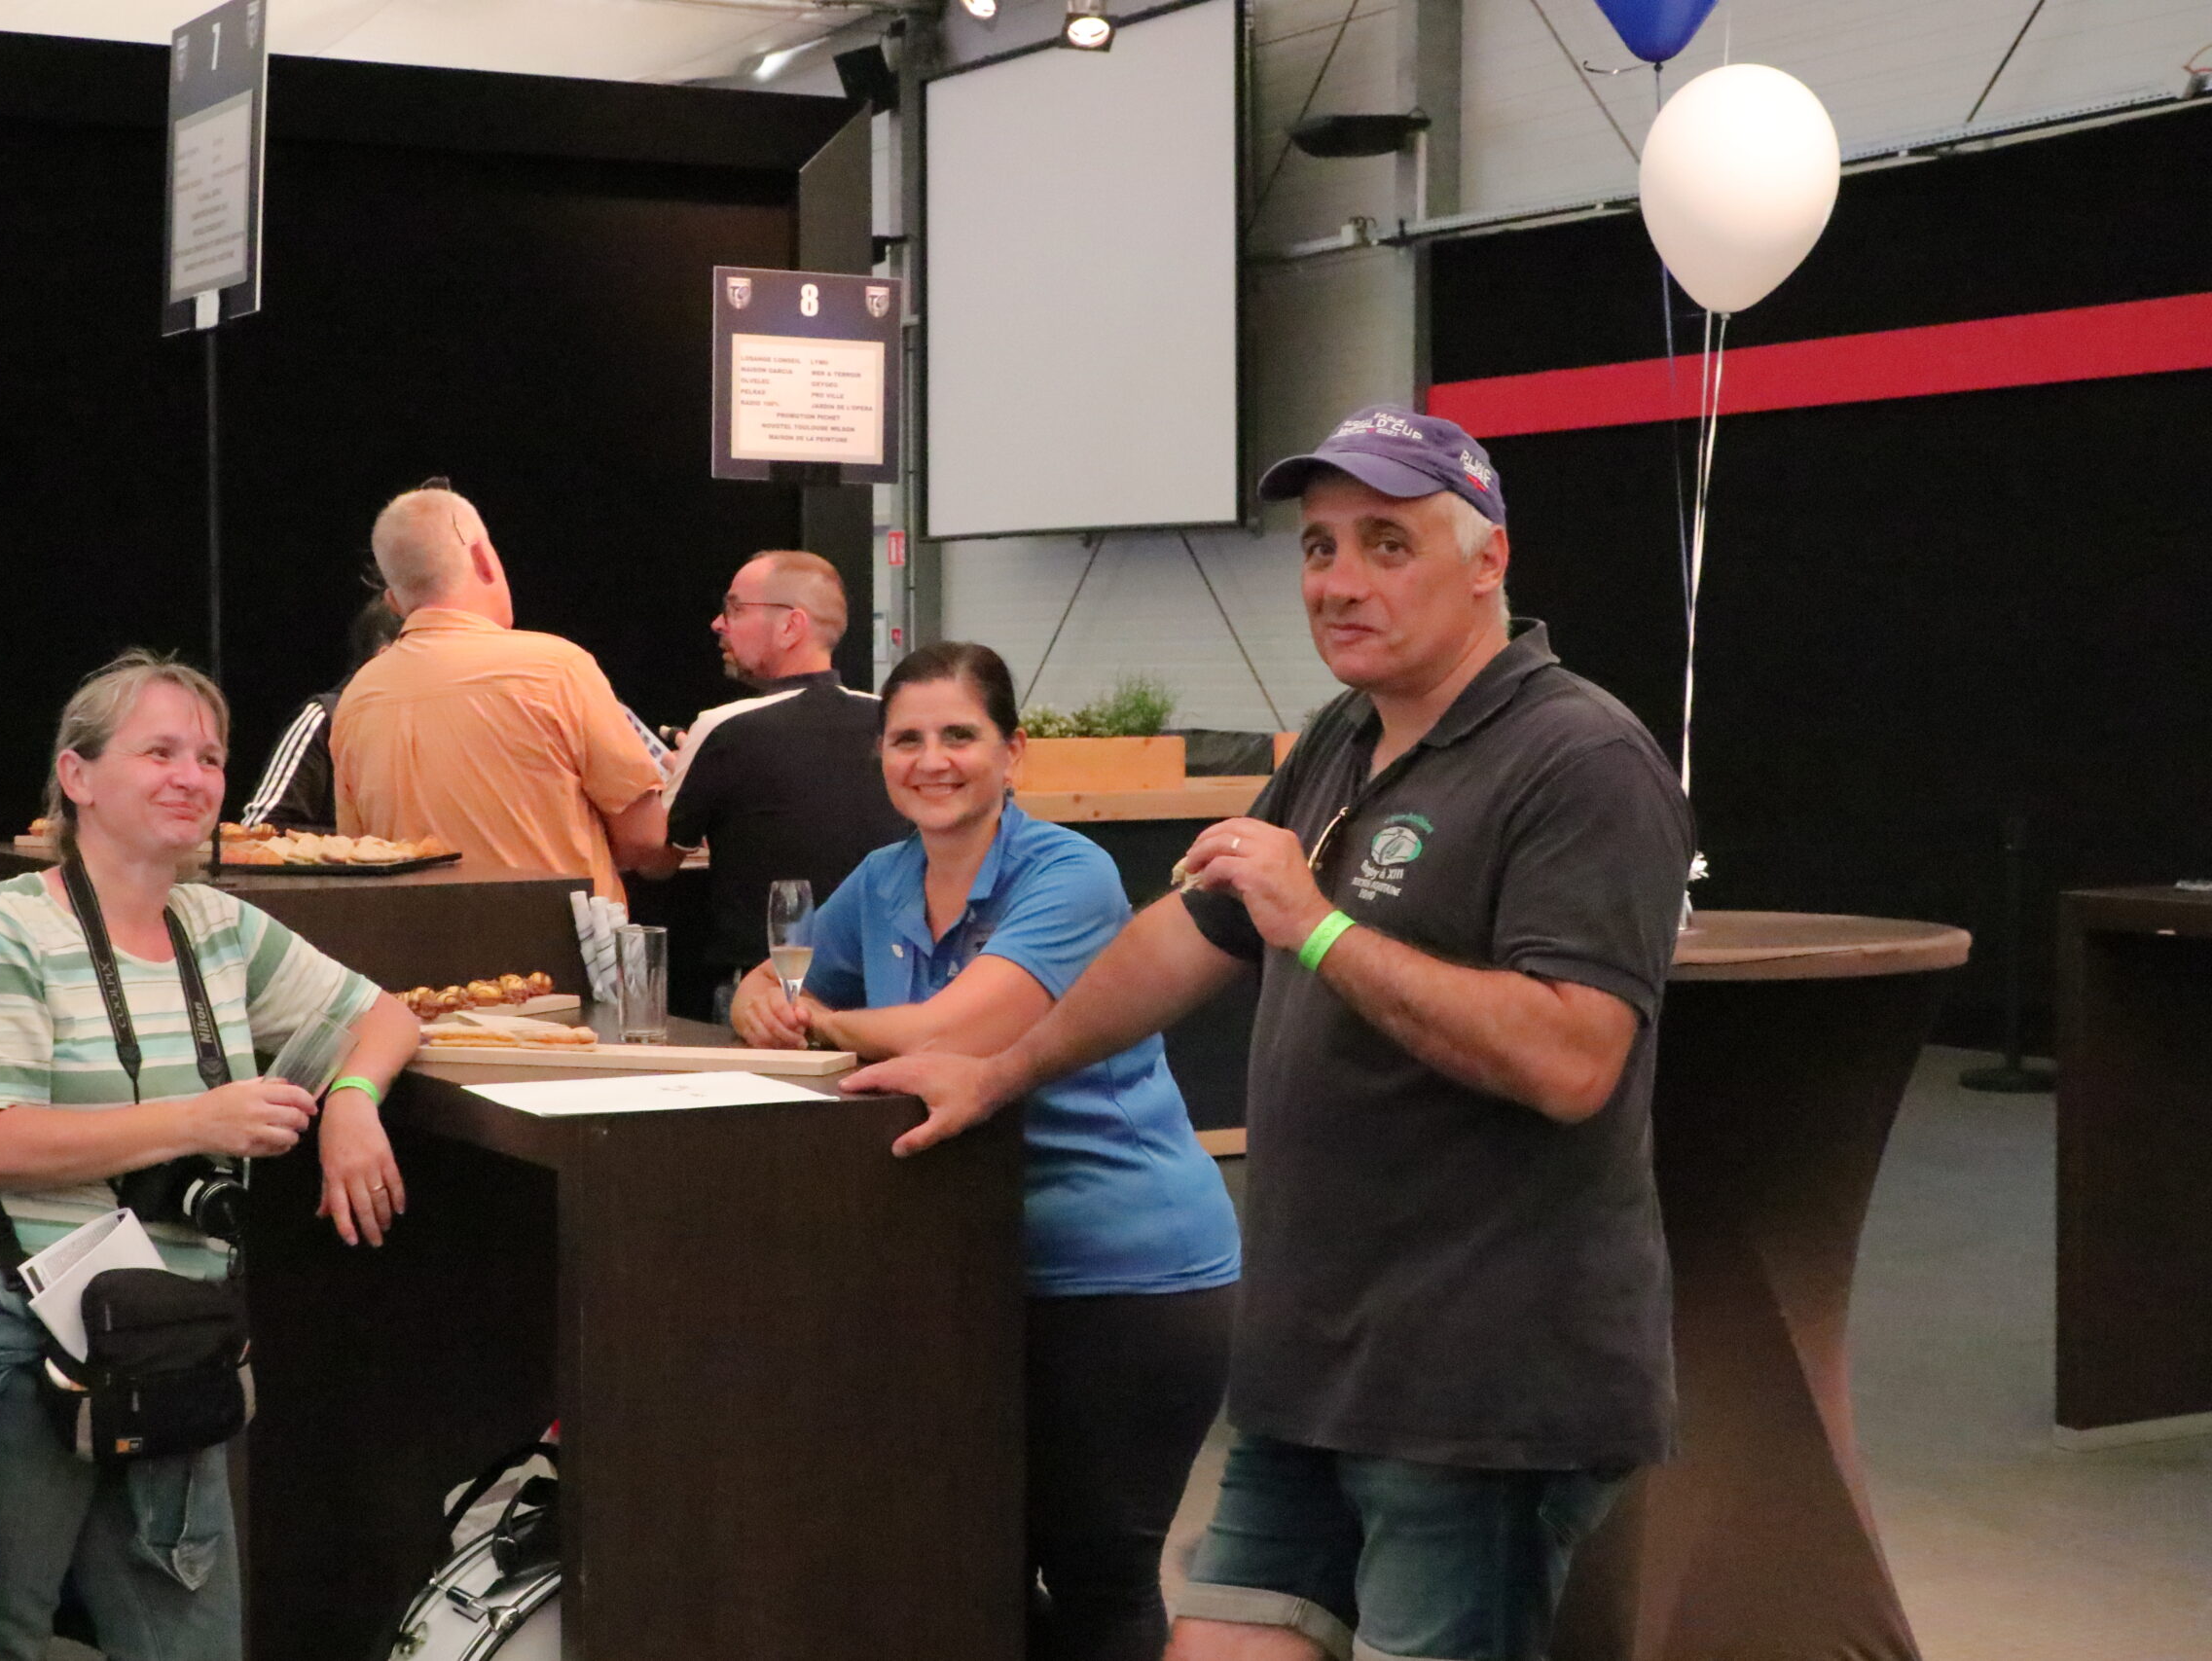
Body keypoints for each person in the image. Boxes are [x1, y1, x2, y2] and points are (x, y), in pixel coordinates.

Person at [848, 408, 1693, 1661]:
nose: (1339, 582)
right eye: (1317, 546)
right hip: (1311, 1370)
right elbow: (1187, 937)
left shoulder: (1580, 758)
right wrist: (999, 1070)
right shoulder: (1345, 738)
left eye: (1387, 545)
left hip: (1477, 1392)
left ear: (1489, 561)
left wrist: (1318, 925)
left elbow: (1574, 1060)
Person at [0, 650, 421, 1661]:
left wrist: (352, 1101)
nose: (193, 777)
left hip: (166, 1332)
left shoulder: (218, 927)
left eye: (209, 757)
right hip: (3, 1326)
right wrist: (198, 1121)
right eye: (159, 751)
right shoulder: (1, 928)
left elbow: (385, 1016)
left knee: (188, 1638)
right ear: (77, 776)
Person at [732, 641, 1240, 1661]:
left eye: (959, 735)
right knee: (963, 1567)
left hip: (1121, 1274)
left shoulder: (1070, 873)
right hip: (965, 1264)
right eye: (906, 739)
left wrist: (816, 1018)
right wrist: (759, 995)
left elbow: (961, 1030)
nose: (932, 761)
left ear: (1013, 753)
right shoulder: (882, 879)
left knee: (1098, 1582)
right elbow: (782, 980)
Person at [331, 484, 667, 898]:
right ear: (483, 558)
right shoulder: (557, 669)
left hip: (411, 938)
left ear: (394, 602)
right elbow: (645, 839)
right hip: (554, 938)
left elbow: (359, 851)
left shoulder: (357, 699)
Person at [640, 550, 909, 1016]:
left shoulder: (724, 727)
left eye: (735, 609)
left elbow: (656, 859)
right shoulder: (891, 719)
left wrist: (653, 781)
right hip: (890, 988)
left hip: (767, 999)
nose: (718, 624)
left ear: (790, 626)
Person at [237, 589, 402, 830]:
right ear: (384, 657)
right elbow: (259, 829)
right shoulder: (326, 718)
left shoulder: (439, 723)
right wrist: (361, 846)